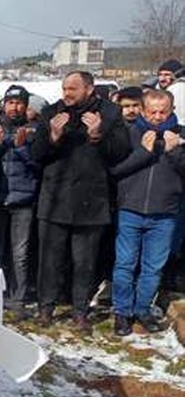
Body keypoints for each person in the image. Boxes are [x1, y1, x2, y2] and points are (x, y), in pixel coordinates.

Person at [31, 71, 131, 332]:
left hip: (91, 201)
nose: (67, 93)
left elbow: (120, 154)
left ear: (89, 89)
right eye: (64, 88)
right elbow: (35, 154)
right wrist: (53, 135)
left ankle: (79, 312)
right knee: (49, 260)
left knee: (84, 262)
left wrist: (98, 135)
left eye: (73, 89)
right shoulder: (52, 112)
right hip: (54, 199)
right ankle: (45, 309)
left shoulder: (110, 113)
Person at [110, 90, 185, 336]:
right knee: (125, 264)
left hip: (164, 214)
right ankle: (122, 312)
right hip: (131, 209)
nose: (157, 116)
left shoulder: (181, 135)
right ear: (143, 111)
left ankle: (142, 309)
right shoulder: (129, 133)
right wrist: (144, 152)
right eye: (152, 111)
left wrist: (174, 153)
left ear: (171, 110)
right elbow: (115, 170)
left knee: (152, 268)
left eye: (162, 111)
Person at [0, 85, 40, 315]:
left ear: (25, 106)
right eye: (11, 102)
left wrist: (22, 149)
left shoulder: (35, 131)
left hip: (23, 200)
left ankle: (18, 298)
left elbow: (39, 165)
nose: (14, 107)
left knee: (19, 253)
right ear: (4, 105)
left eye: (19, 103)